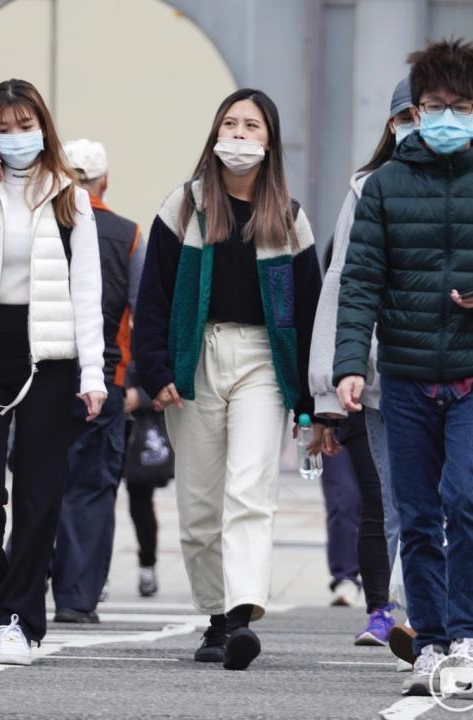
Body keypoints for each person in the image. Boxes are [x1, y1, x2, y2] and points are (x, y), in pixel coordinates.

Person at [333, 39, 473, 696]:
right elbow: (359, 281)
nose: (447, 118)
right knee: (419, 510)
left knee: (464, 498)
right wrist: (350, 364)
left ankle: (468, 637)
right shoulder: (385, 187)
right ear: (416, 110)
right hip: (402, 372)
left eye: (460, 108)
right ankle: (429, 642)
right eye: (434, 107)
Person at [134, 88, 323, 671]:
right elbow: (153, 299)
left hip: (264, 362)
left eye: (253, 127)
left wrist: (311, 401)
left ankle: (241, 617)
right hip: (197, 358)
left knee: (248, 490)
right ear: (216, 135)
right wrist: (156, 370)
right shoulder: (184, 206)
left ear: (270, 142)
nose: (240, 136)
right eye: (231, 124)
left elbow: (312, 311)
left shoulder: (288, 218)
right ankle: (214, 617)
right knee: (197, 505)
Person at [0, 79, 105, 665]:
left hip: (49, 354)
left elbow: (87, 289)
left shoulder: (70, 197)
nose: (16, 139)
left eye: (25, 126)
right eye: (3, 129)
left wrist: (94, 373)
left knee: (40, 494)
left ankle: (18, 620)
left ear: (44, 127)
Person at [310, 79, 417, 644]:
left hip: (446, 370)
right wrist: (324, 397)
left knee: (433, 499)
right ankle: (385, 610)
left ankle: (420, 612)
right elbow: (341, 286)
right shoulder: (367, 191)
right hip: (369, 375)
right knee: (381, 500)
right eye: (408, 117)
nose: (419, 127)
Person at [51, 139, 145, 623]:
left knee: (37, 479)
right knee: (90, 489)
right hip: (103, 377)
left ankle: (20, 583)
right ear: (104, 181)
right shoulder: (127, 234)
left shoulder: (42, 224)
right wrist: (139, 383)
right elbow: (142, 310)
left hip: (41, 371)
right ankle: (76, 598)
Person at [121, 363, 174, 597]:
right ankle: (95, 575)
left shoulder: (141, 328)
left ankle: (147, 565)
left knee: (141, 506)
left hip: (141, 428)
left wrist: (139, 397)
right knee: (95, 504)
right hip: (105, 417)